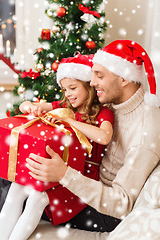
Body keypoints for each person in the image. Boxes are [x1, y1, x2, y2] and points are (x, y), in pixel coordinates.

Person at [24, 39, 159, 233]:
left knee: (19, 193)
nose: (92, 81)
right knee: (12, 179)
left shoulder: (145, 129)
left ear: (124, 78)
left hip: (106, 213)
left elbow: (121, 204)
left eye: (99, 75)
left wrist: (63, 174)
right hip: (89, 185)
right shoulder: (114, 102)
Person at [0, 54, 115, 240]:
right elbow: (25, 106)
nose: (67, 94)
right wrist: (30, 107)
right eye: (64, 89)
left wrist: (68, 120)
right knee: (16, 188)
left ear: (88, 85)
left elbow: (104, 137)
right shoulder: (63, 106)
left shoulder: (103, 112)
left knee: (38, 198)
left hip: (80, 177)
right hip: (55, 171)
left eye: (73, 88)